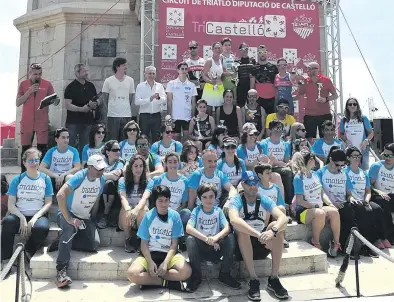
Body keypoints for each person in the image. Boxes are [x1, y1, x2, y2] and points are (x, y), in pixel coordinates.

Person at [54, 154, 121, 288]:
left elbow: (95, 200)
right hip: (67, 213)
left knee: (94, 244)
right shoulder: (80, 176)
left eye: (102, 169)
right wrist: (69, 218)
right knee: (70, 229)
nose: (101, 171)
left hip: (84, 217)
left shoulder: (101, 179)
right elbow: (60, 195)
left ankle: (61, 242)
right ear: (89, 167)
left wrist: (92, 218)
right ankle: (61, 271)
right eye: (98, 169)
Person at [228, 171, 289, 301]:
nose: (253, 187)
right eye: (249, 184)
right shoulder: (236, 201)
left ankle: (274, 278)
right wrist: (258, 234)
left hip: (263, 243)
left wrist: (272, 231)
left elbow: (283, 217)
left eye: (255, 183)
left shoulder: (264, 199)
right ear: (242, 185)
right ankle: (253, 279)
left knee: (277, 225)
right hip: (242, 246)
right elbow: (234, 220)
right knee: (242, 228)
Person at [126, 185, 192, 291]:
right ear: (155, 201)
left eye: (166, 200)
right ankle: (165, 282)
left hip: (169, 254)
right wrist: (150, 261)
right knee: (131, 274)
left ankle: (148, 280)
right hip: (150, 254)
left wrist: (165, 263)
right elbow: (144, 244)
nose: (164, 204)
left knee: (186, 272)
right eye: (160, 201)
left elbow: (174, 244)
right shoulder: (148, 216)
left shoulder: (175, 216)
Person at [186, 183, 240, 292]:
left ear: (215, 197)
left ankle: (225, 274)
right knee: (190, 239)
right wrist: (206, 239)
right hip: (201, 249)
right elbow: (188, 228)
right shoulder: (196, 211)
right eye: (204, 197)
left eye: (211, 196)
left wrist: (215, 238)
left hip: (216, 248)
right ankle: (196, 276)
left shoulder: (218, 211)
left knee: (230, 237)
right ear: (199, 198)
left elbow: (227, 228)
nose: (208, 200)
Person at [1, 148, 53, 261]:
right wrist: (22, 218)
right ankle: (5, 259)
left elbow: (48, 203)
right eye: (30, 161)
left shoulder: (46, 179)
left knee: (42, 228)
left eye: (36, 160)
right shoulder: (18, 179)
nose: (34, 163)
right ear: (24, 163)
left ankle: (28, 249)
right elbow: (11, 205)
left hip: (37, 214)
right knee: (8, 222)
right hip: (19, 214)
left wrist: (34, 218)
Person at [292, 150, 341, 256]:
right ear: (310, 160)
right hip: (303, 210)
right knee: (320, 213)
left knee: (334, 212)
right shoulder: (298, 177)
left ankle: (336, 243)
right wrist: (315, 206)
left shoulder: (315, 174)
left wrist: (330, 204)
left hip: (318, 206)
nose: (316, 161)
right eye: (314, 159)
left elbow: (322, 193)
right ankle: (316, 242)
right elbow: (300, 201)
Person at [344, 147, 387, 254]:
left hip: (363, 200)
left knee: (377, 209)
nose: (357, 158)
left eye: (359, 156)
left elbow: (368, 191)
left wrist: (367, 201)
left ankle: (377, 239)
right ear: (348, 158)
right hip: (352, 200)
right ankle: (364, 245)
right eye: (354, 156)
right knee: (367, 212)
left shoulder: (364, 173)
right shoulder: (344, 172)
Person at [16, 63, 59, 171]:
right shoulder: (23, 84)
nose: (37, 76)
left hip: (42, 121)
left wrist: (55, 101)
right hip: (27, 122)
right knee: (26, 149)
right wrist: (29, 91)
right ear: (30, 73)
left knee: (42, 149)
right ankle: (24, 173)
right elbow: (18, 102)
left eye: (40, 74)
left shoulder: (47, 84)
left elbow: (55, 100)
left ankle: (42, 173)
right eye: (35, 74)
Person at [118, 155, 152, 253]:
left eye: (141, 166)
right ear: (130, 167)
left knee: (143, 208)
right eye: (136, 166)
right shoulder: (122, 181)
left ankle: (140, 239)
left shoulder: (149, 181)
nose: (139, 169)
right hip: (126, 218)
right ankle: (128, 239)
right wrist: (129, 209)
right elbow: (123, 197)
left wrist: (136, 209)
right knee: (126, 208)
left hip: (141, 216)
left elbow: (145, 197)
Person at [148, 153, 191, 228]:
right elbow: (154, 201)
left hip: (176, 212)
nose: (173, 165)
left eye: (175, 162)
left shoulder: (185, 181)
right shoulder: (159, 180)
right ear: (166, 164)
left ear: (178, 163)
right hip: (160, 211)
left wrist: (173, 214)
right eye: (170, 162)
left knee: (187, 213)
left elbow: (183, 204)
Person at [297, 62, 338, 139]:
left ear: (316, 70)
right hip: (309, 115)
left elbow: (335, 95)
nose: (307, 71)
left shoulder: (326, 80)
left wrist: (325, 99)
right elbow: (299, 94)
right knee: (309, 138)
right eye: (307, 69)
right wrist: (299, 82)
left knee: (326, 137)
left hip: (324, 114)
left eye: (309, 69)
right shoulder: (305, 81)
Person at [64, 64, 98, 154]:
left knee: (85, 146)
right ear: (77, 73)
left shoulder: (91, 86)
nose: (86, 73)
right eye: (84, 71)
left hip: (87, 121)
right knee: (70, 145)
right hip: (73, 122)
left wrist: (94, 104)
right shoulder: (70, 87)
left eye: (87, 71)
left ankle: (83, 165)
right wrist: (81, 109)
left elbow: (95, 100)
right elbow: (68, 105)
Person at [101, 57, 136, 141]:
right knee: (112, 140)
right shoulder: (108, 81)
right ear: (117, 67)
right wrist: (111, 108)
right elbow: (105, 97)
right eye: (124, 65)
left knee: (125, 140)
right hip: (113, 116)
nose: (126, 67)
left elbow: (131, 97)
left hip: (126, 115)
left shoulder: (130, 80)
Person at [261, 120, 293, 205]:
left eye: (281, 128)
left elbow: (286, 159)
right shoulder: (264, 143)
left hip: (282, 166)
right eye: (277, 128)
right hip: (270, 167)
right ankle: (288, 202)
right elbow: (264, 160)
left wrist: (289, 163)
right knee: (287, 172)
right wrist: (278, 163)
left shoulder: (284, 144)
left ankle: (293, 202)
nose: (279, 130)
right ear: (271, 129)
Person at [369, 143, 394, 245]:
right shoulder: (377, 166)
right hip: (378, 194)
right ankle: (387, 236)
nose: (387, 158)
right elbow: (369, 186)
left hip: (391, 194)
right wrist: (380, 192)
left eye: (390, 156)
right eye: (385, 155)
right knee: (385, 202)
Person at [166, 61, 198, 142]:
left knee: (186, 141)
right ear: (178, 70)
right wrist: (169, 115)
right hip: (175, 117)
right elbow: (169, 101)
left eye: (186, 69)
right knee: (176, 140)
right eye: (182, 69)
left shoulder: (192, 85)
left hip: (187, 117)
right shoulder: (171, 83)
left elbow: (193, 103)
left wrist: (193, 116)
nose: (184, 71)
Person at [97, 140, 125, 229]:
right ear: (107, 152)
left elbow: (115, 177)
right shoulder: (101, 161)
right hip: (100, 190)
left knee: (109, 183)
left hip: (114, 192)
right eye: (115, 150)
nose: (118, 152)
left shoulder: (120, 162)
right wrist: (109, 175)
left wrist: (102, 175)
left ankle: (106, 213)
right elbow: (96, 175)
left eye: (119, 150)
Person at [339, 97, 374, 170]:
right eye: (350, 104)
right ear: (347, 106)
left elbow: (371, 133)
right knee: (350, 171)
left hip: (363, 149)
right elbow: (341, 134)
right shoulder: (344, 119)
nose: (352, 106)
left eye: (354, 104)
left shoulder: (363, 118)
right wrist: (345, 140)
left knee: (364, 171)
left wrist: (366, 140)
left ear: (357, 106)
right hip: (350, 150)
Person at [135, 66, 167, 143]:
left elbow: (164, 99)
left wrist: (159, 98)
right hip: (144, 116)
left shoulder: (159, 86)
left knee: (157, 138)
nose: (151, 75)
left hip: (156, 115)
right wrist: (150, 99)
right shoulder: (140, 86)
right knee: (143, 137)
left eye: (153, 73)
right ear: (145, 74)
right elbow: (137, 102)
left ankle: (155, 154)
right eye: (149, 73)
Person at [250, 45, 278, 115]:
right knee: (259, 119)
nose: (262, 54)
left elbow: (277, 84)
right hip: (259, 98)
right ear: (257, 53)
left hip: (272, 98)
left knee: (271, 120)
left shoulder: (273, 67)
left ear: (267, 53)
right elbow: (251, 87)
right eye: (260, 52)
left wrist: (277, 98)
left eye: (264, 52)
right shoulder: (254, 68)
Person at [202, 42, 225, 113]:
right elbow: (204, 75)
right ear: (212, 49)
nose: (217, 50)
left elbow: (222, 74)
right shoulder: (209, 61)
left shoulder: (222, 59)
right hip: (209, 89)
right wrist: (210, 81)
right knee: (208, 111)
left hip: (219, 89)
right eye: (215, 48)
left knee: (219, 111)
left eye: (219, 48)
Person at [235, 43, 256, 108]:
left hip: (250, 88)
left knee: (250, 108)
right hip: (240, 89)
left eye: (246, 48)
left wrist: (251, 90)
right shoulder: (236, 61)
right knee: (241, 107)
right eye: (243, 49)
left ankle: (250, 118)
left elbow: (253, 76)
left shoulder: (252, 61)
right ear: (240, 50)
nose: (245, 50)